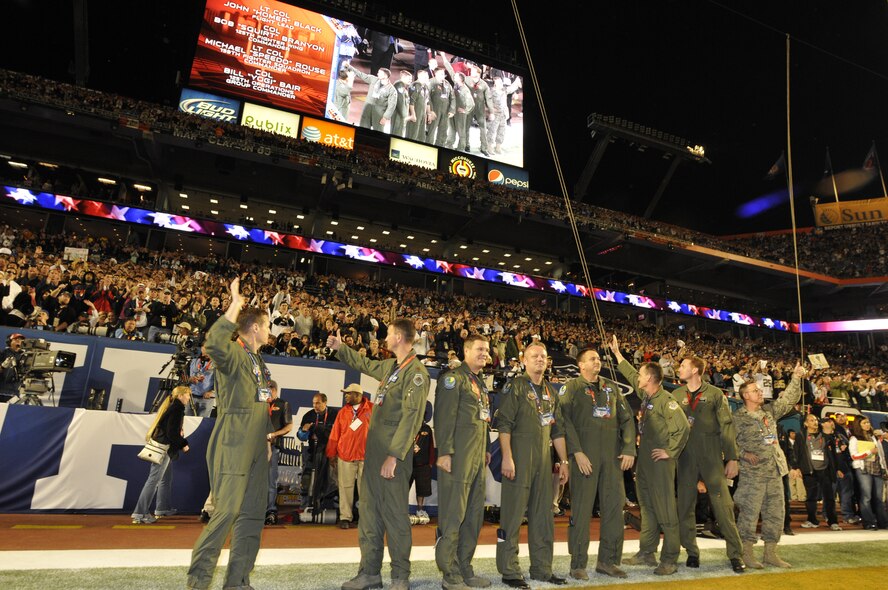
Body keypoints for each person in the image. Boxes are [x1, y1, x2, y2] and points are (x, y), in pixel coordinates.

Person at [327, 318, 431, 590]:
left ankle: (400, 577)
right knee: (370, 514)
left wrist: (394, 455)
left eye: (388, 334)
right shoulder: (391, 367)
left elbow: (412, 417)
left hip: (392, 458)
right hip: (373, 456)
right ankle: (370, 573)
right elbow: (365, 365)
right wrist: (341, 348)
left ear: (398, 336)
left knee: (395, 516)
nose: (384, 338)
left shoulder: (416, 372)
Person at [186, 277, 273, 590]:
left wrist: (264, 439)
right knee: (227, 512)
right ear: (253, 328)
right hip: (234, 439)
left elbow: (261, 403)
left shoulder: (258, 361)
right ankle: (198, 581)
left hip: (255, 444)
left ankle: (237, 580)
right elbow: (213, 344)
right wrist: (235, 306)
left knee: (251, 515)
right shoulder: (235, 353)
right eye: (267, 325)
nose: (269, 330)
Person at [609, 335, 689, 576]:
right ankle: (647, 551)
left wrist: (670, 451)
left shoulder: (666, 400)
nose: (638, 378)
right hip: (645, 461)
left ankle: (670, 558)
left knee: (664, 509)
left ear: (651, 379)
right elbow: (632, 374)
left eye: (642, 375)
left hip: (660, 462)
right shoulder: (648, 395)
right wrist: (618, 355)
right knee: (647, 507)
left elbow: (683, 428)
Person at [496, 341, 570, 589]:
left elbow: (557, 430)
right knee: (512, 516)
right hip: (518, 460)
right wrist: (507, 457)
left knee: (543, 517)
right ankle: (509, 570)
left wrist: (564, 461)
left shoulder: (550, 392)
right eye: (534, 356)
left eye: (544, 356)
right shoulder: (515, 387)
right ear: (524, 361)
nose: (540, 359)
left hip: (543, 462)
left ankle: (542, 569)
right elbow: (504, 424)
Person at [559, 348, 636, 580]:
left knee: (614, 509)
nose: (598, 362)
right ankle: (578, 563)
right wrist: (577, 451)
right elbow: (563, 420)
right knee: (581, 511)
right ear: (581, 365)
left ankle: (608, 561)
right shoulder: (571, 387)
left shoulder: (611, 387)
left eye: (599, 359)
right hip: (585, 458)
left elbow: (627, 419)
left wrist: (629, 448)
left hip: (612, 460)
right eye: (592, 359)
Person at [671, 356, 745, 573]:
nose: (679, 368)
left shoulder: (714, 394)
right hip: (685, 459)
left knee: (724, 507)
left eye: (683, 365)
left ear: (695, 370)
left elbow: (727, 426)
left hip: (711, 457)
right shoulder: (675, 395)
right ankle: (692, 552)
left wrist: (732, 457)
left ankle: (735, 553)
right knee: (685, 508)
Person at [734, 363, 806, 570]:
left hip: (775, 471)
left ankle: (770, 554)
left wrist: (796, 377)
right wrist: (742, 454)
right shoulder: (738, 418)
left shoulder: (769, 411)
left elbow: (789, 399)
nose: (759, 392)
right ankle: (746, 553)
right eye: (755, 391)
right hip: (753, 474)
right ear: (745, 396)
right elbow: (726, 442)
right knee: (749, 512)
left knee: (776, 513)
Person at [434, 335, 493, 590]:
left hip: (478, 459)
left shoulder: (480, 383)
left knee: (473, 516)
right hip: (457, 458)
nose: (485, 353)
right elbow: (444, 417)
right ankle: (450, 573)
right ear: (466, 351)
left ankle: (465, 567)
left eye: (487, 350)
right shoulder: (453, 378)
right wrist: (445, 452)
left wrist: (488, 449)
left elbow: (483, 420)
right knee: (453, 516)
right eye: (480, 349)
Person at [131, 385, 191, 524]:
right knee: (154, 480)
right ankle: (140, 513)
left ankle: (162, 508)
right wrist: (183, 444)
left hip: (165, 449)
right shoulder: (177, 409)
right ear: (181, 395)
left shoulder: (173, 407)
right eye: (188, 395)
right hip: (164, 449)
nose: (189, 398)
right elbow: (172, 433)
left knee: (165, 478)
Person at [326, 383, 373, 529]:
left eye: (348, 393)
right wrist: (331, 453)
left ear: (358, 395)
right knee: (345, 487)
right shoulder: (343, 412)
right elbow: (335, 434)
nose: (345, 396)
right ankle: (345, 517)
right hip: (345, 455)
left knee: (365, 490)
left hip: (366, 456)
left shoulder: (372, 409)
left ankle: (366, 519)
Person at [796, 414, 842, 531]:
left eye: (816, 420)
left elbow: (833, 454)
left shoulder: (825, 436)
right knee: (811, 497)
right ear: (806, 423)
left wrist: (837, 468)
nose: (815, 422)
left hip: (825, 469)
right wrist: (796, 467)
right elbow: (797, 452)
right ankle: (812, 520)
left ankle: (833, 522)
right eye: (811, 420)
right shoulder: (801, 435)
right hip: (810, 470)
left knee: (829, 497)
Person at [849, 417, 888, 529]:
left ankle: (883, 522)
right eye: (864, 423)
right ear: (858, 425)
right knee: (866, 497)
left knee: (879, 498)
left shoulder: (873, 437)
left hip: (877, 468)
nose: (867, 424)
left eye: (868, 422)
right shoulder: (854, 438)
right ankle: (869, 522)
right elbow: (854, 456)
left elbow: (881, 455)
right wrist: (869, 452)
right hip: (863, 469)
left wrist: (884, 467)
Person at [265, 380, 292, 525]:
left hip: (273, 446)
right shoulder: (260, 403)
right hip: (256, 446)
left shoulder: (283, 404)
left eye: (269, 390)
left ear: (274, 390)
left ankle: (271, 510)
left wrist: (275, 434)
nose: (267, 393)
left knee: (270, 480)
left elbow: (289, 426)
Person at [345, 63, 397, 132]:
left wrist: (385, 117)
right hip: (367, 110)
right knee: (363, 130)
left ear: (385, 76)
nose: (377, 74)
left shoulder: (392, 90)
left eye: (379, 73)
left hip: (379, 113)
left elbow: (392, 105)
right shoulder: (373, 79)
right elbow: (361, 74)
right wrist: (349, 67)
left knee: (378, 133)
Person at [410, 416, 435, 518]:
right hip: (408, 464)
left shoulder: (427, 429)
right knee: (403, 488)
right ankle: (401, 511)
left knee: (422, 490)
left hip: (423, 465)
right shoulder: (408, 427)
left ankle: (420, 510)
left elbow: (431, 446)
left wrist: (430, 462)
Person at [426, 66, 454, 146]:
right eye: (441, 74)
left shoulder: (447, 83)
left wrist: (452, 110)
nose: (443, 75)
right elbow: (427, 97)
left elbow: (452, 97)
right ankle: (428, 145)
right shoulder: (430, 82)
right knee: (431, 129)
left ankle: (440, 145)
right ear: (436, 74)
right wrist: (430, 111)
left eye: (444, 74)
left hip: (445, 110)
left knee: (443, 130)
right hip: (435, 110)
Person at [188, 346, 216, 418]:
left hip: (206, 400)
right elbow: (183, 377)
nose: (204, 354)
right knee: (186, 422)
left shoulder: (218, 364)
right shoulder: (193, 361)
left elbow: (222, 383)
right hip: (190, 397)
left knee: (202, 424)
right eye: (204, 349)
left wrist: (212, 392)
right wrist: (190, 379)